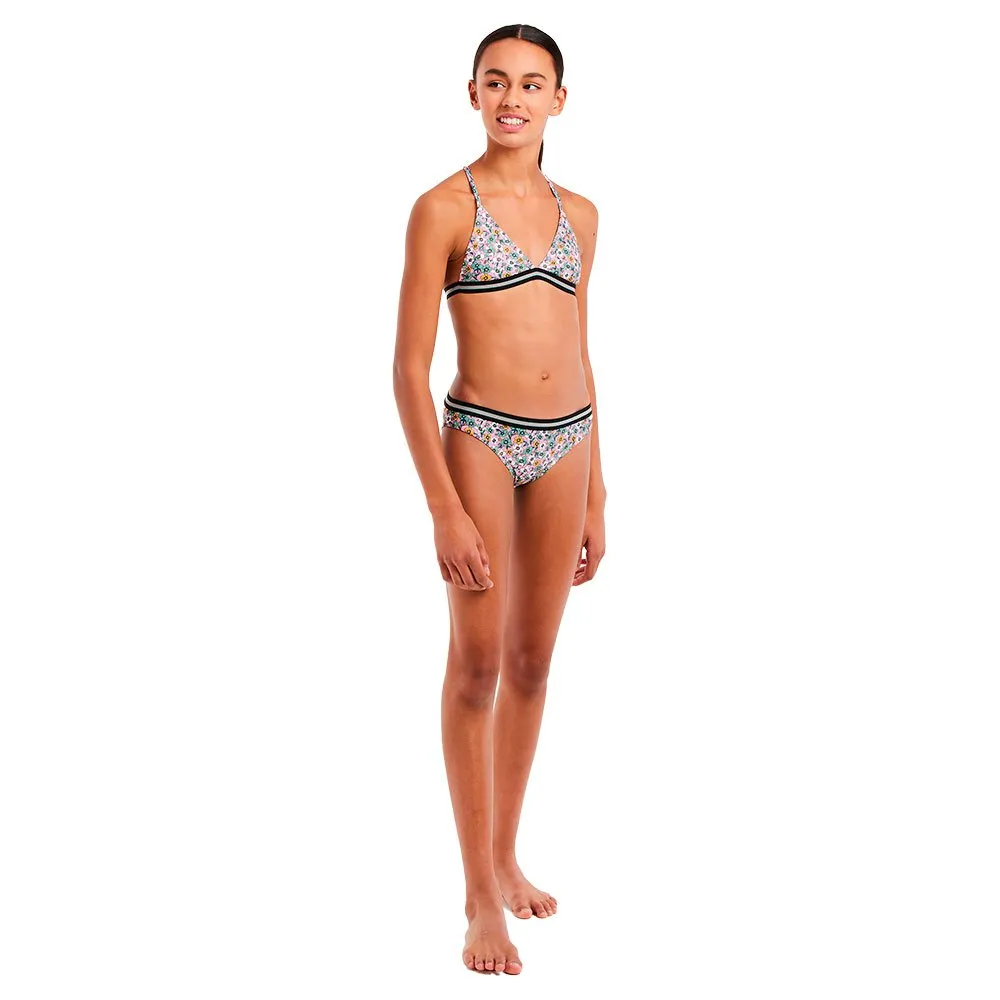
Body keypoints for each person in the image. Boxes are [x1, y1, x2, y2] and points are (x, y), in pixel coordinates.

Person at [392, 23, 607, 976]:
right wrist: (442, 505)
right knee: (476, 665)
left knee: (531, 661)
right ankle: (479, 893)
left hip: (569, 441)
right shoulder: (443, 208)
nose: (512, 98)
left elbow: (581, 347)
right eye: (495, 81)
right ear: (472, 93)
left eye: (530, 83)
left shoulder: (581, 215)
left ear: (559, 99)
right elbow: (407, 368)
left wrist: (598, 489)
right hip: (480, 437)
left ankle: (508, 853)